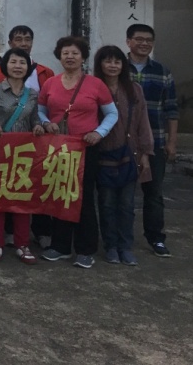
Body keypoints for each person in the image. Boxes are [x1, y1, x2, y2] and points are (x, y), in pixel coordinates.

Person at [38, 36, 118, 269]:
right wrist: (46, 123)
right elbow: (41, 111)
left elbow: (112, 113)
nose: (70, 57)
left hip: (85, 148)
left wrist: (99, 132)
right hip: (58, 149)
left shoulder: (96, 84)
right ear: (59, 56)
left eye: (75, 53)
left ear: (83, 57)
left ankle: (85, 249)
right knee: (59, 194)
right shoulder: (50, 83)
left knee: (83, 197)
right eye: (65, 53)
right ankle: (60, 246)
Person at [0, 48, 44, 265]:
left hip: (23, 152)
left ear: (28, 67)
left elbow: (34, 118)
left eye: (22, 63)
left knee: (22, 198)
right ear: (5, 65)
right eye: (13, 62)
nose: (18, 66)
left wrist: (38, 127)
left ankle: (22, 244)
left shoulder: (32, 94)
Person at [93, 45, 154, 266]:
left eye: (117, 61)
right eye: (108, 61)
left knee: (127, 205)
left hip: (131, 153)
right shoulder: (94, 87)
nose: (112, 65)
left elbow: (143, 122)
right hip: (103, 153)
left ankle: (125, 246)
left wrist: (146, 152)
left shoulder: (134, 89)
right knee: (107, 203)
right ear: (100, 64)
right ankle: (110, 246)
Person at [126, 24, 179, 258]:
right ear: (128, 42)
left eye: (148, 40)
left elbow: (171, 109)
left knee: (154, 193)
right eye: (139, 39)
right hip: (124, 141)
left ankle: (156, 238)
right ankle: (122, 237)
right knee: (123, 193)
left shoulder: (162, 71)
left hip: (155, 141)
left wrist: (172, 142)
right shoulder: (117, 68)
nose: (144, 43)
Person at [0, 26, 55, 92]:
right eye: (18, 40)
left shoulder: (46, 72)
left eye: (27, 39)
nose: (23, 44)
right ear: (10, 43)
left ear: (32, 43)